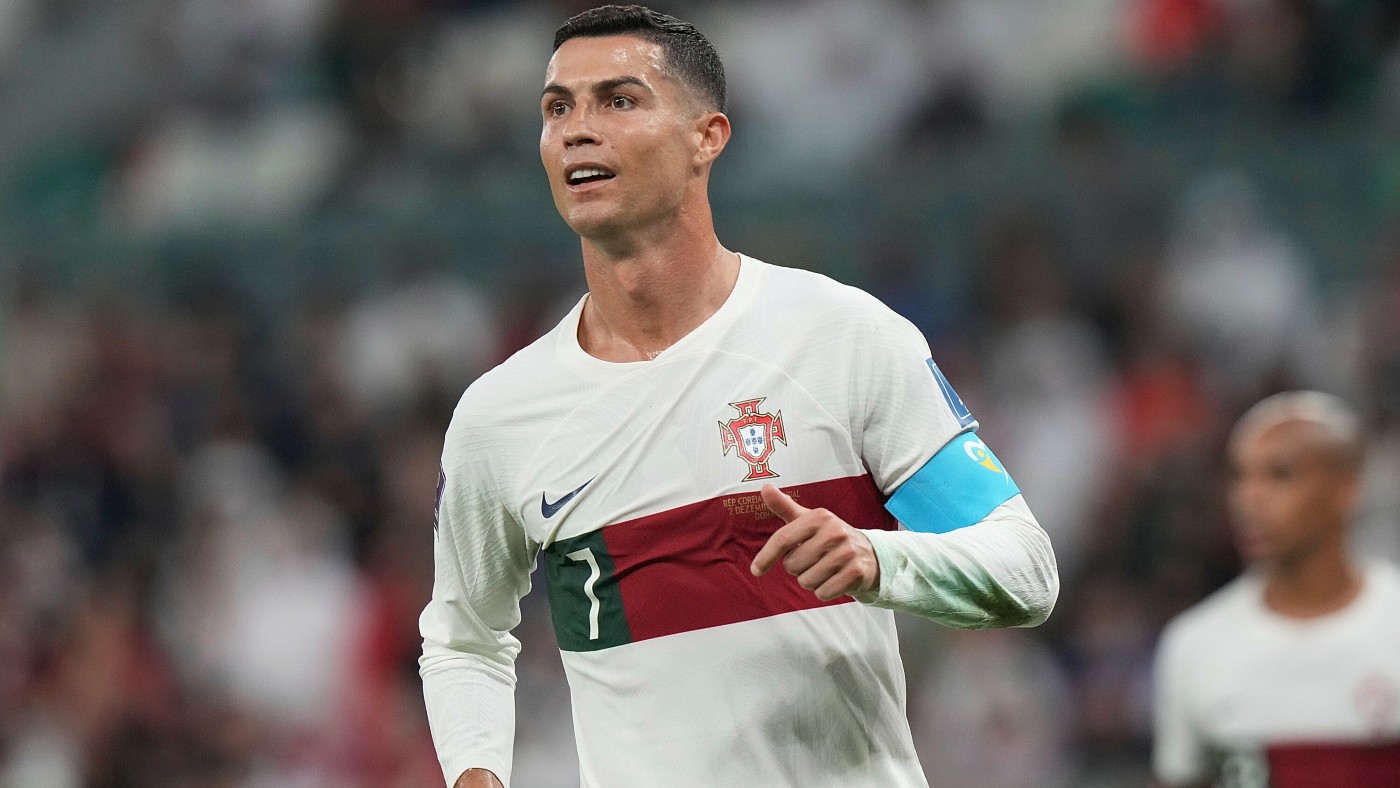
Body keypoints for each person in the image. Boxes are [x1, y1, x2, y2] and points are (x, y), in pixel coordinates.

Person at [418, 6, 1059, 787]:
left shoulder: (841, 336)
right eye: (558, 108)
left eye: (618, 100)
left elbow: (1026, 571)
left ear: (707, 137)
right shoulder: (501, 415)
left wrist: (878, 557)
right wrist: (475, 770)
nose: (578, 129)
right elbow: (464, 637)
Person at [1152, 391, 1400, 788]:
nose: (1249, 499)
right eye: (1238, 476)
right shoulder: (1194, 644)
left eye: (1280, 475)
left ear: (1347, 489)